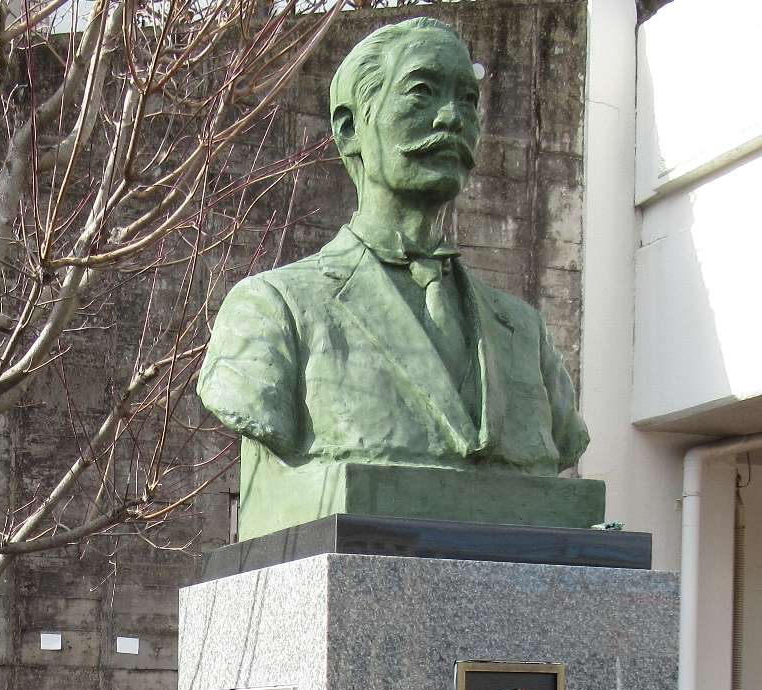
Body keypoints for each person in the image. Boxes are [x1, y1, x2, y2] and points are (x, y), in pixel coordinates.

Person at [198, 17, 589, 476]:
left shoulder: (526, 332)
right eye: (421, 91)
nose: (452, 118)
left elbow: (563, 444)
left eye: (468, 100)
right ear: (349, 128)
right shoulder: (272, 310)